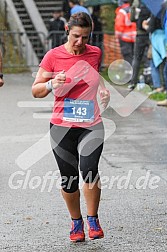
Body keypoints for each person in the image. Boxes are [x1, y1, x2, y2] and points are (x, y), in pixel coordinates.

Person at [32, 12, 110, 242]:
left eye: (85, 37)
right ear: (67, 30)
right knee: (68, 178)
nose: (80, 42)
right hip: (61, 126)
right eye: (76, 36)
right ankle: (76, 223)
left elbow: (94, 74)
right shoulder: (52, 57)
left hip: (91, 124)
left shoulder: (95, 52)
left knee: (89, 169)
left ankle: (93, 219)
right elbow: (35, 91)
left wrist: (103, 89)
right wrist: (50, 84)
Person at [128, 0, 151, 90]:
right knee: (151, 58)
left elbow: (132, 18)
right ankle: (151, 81)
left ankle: (133, 82)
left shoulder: (137, 3)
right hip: (150, 34)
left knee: (136, 59)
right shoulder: (154, 3)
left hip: (140, 34)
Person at [115, 0, 136, 65]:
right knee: (135, 56)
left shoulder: (122, 11)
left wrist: (117, 37)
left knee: (127, 56)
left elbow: (119, 25)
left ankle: (130, 71)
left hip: (125, 38)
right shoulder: (134, 9)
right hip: (135, 37)